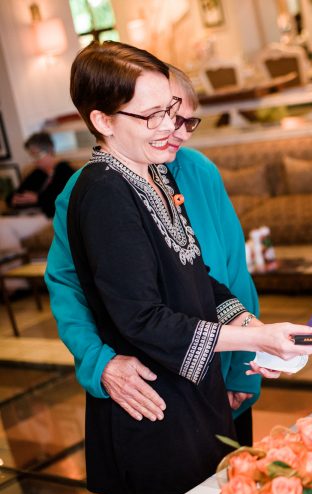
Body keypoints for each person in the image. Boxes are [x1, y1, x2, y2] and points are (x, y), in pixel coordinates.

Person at [61, 40, 312, 494]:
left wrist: (252, 328)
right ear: (103, 121)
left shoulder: (157, 175)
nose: (169, 126)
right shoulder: (103, 193)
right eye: (151, 116)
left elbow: (198, 278)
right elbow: (143, 319)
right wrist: (256, 338)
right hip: (154, 403)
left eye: (170, 110)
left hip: (193, 390)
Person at [46, 65, 266, 447]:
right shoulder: (94, 190)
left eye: (186, 121)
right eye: (163, 117)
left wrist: (247, 360)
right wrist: (99, 362)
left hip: (224, 366)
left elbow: (232, 272)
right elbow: (69, 287)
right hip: (156, 383)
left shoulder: (194, 171)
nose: (176, 132)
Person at [0, 132, 75, 254]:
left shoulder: (65, 171)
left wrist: (37, 199)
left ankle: (15, 262)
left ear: (50, 152)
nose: (34, 160)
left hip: (48, 216)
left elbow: (62, 202)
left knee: (2, 225)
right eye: (31, 155)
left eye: (36, 155)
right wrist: (12, 199)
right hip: (28, 214)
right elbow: (15, 194)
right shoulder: (36, 174)